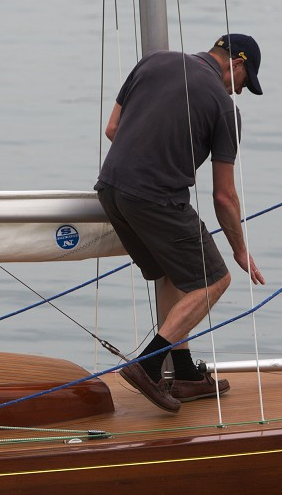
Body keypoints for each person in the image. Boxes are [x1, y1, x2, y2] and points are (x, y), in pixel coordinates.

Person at [95, 33, 266, 413]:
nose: (238, 92)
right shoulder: (224, 108)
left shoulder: (153, 62)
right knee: (214, 279)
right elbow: (224, 196)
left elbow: (112, 129)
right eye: (243, 83)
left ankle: (185, 373)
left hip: (111, 189)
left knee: (176, 274)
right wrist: (239, 249)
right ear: (236, 65)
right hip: (157, 197)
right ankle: (149, 364)